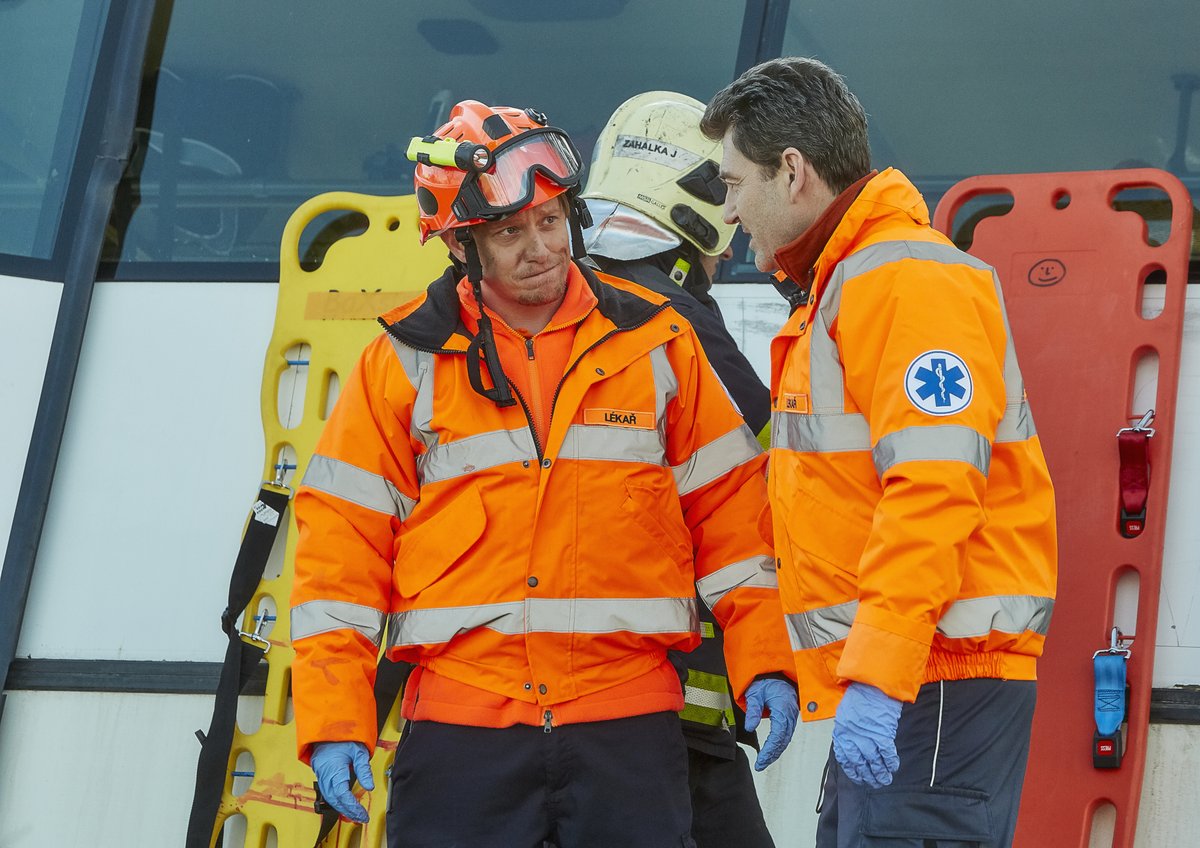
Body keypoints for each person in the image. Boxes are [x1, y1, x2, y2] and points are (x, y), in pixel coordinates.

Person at [289, 99, 799, 848]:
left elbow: (736, 526)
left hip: (626, 732)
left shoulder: (657, 345)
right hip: (464, 739)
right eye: (508, 232)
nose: (540, 248)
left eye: (552, 221)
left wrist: (767, 665)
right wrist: (336, 719)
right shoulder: (400, 364)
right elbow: (339, 557)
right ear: (461, 245)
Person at [700, 58, 1058, 848]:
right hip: (912, 682)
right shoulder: (854, 281)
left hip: (932, 685)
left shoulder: (899, 281)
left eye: (732, 184)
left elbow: (933, 489)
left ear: (791, 171)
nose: (727, 212)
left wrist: (880, 677)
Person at [581, 90, 776, 848]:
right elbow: (766, 471)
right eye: (723, 195)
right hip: (665, 711)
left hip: (539, 704)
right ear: (684, 206)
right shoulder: (675, 318)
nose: (728, 243)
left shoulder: (540, 302)